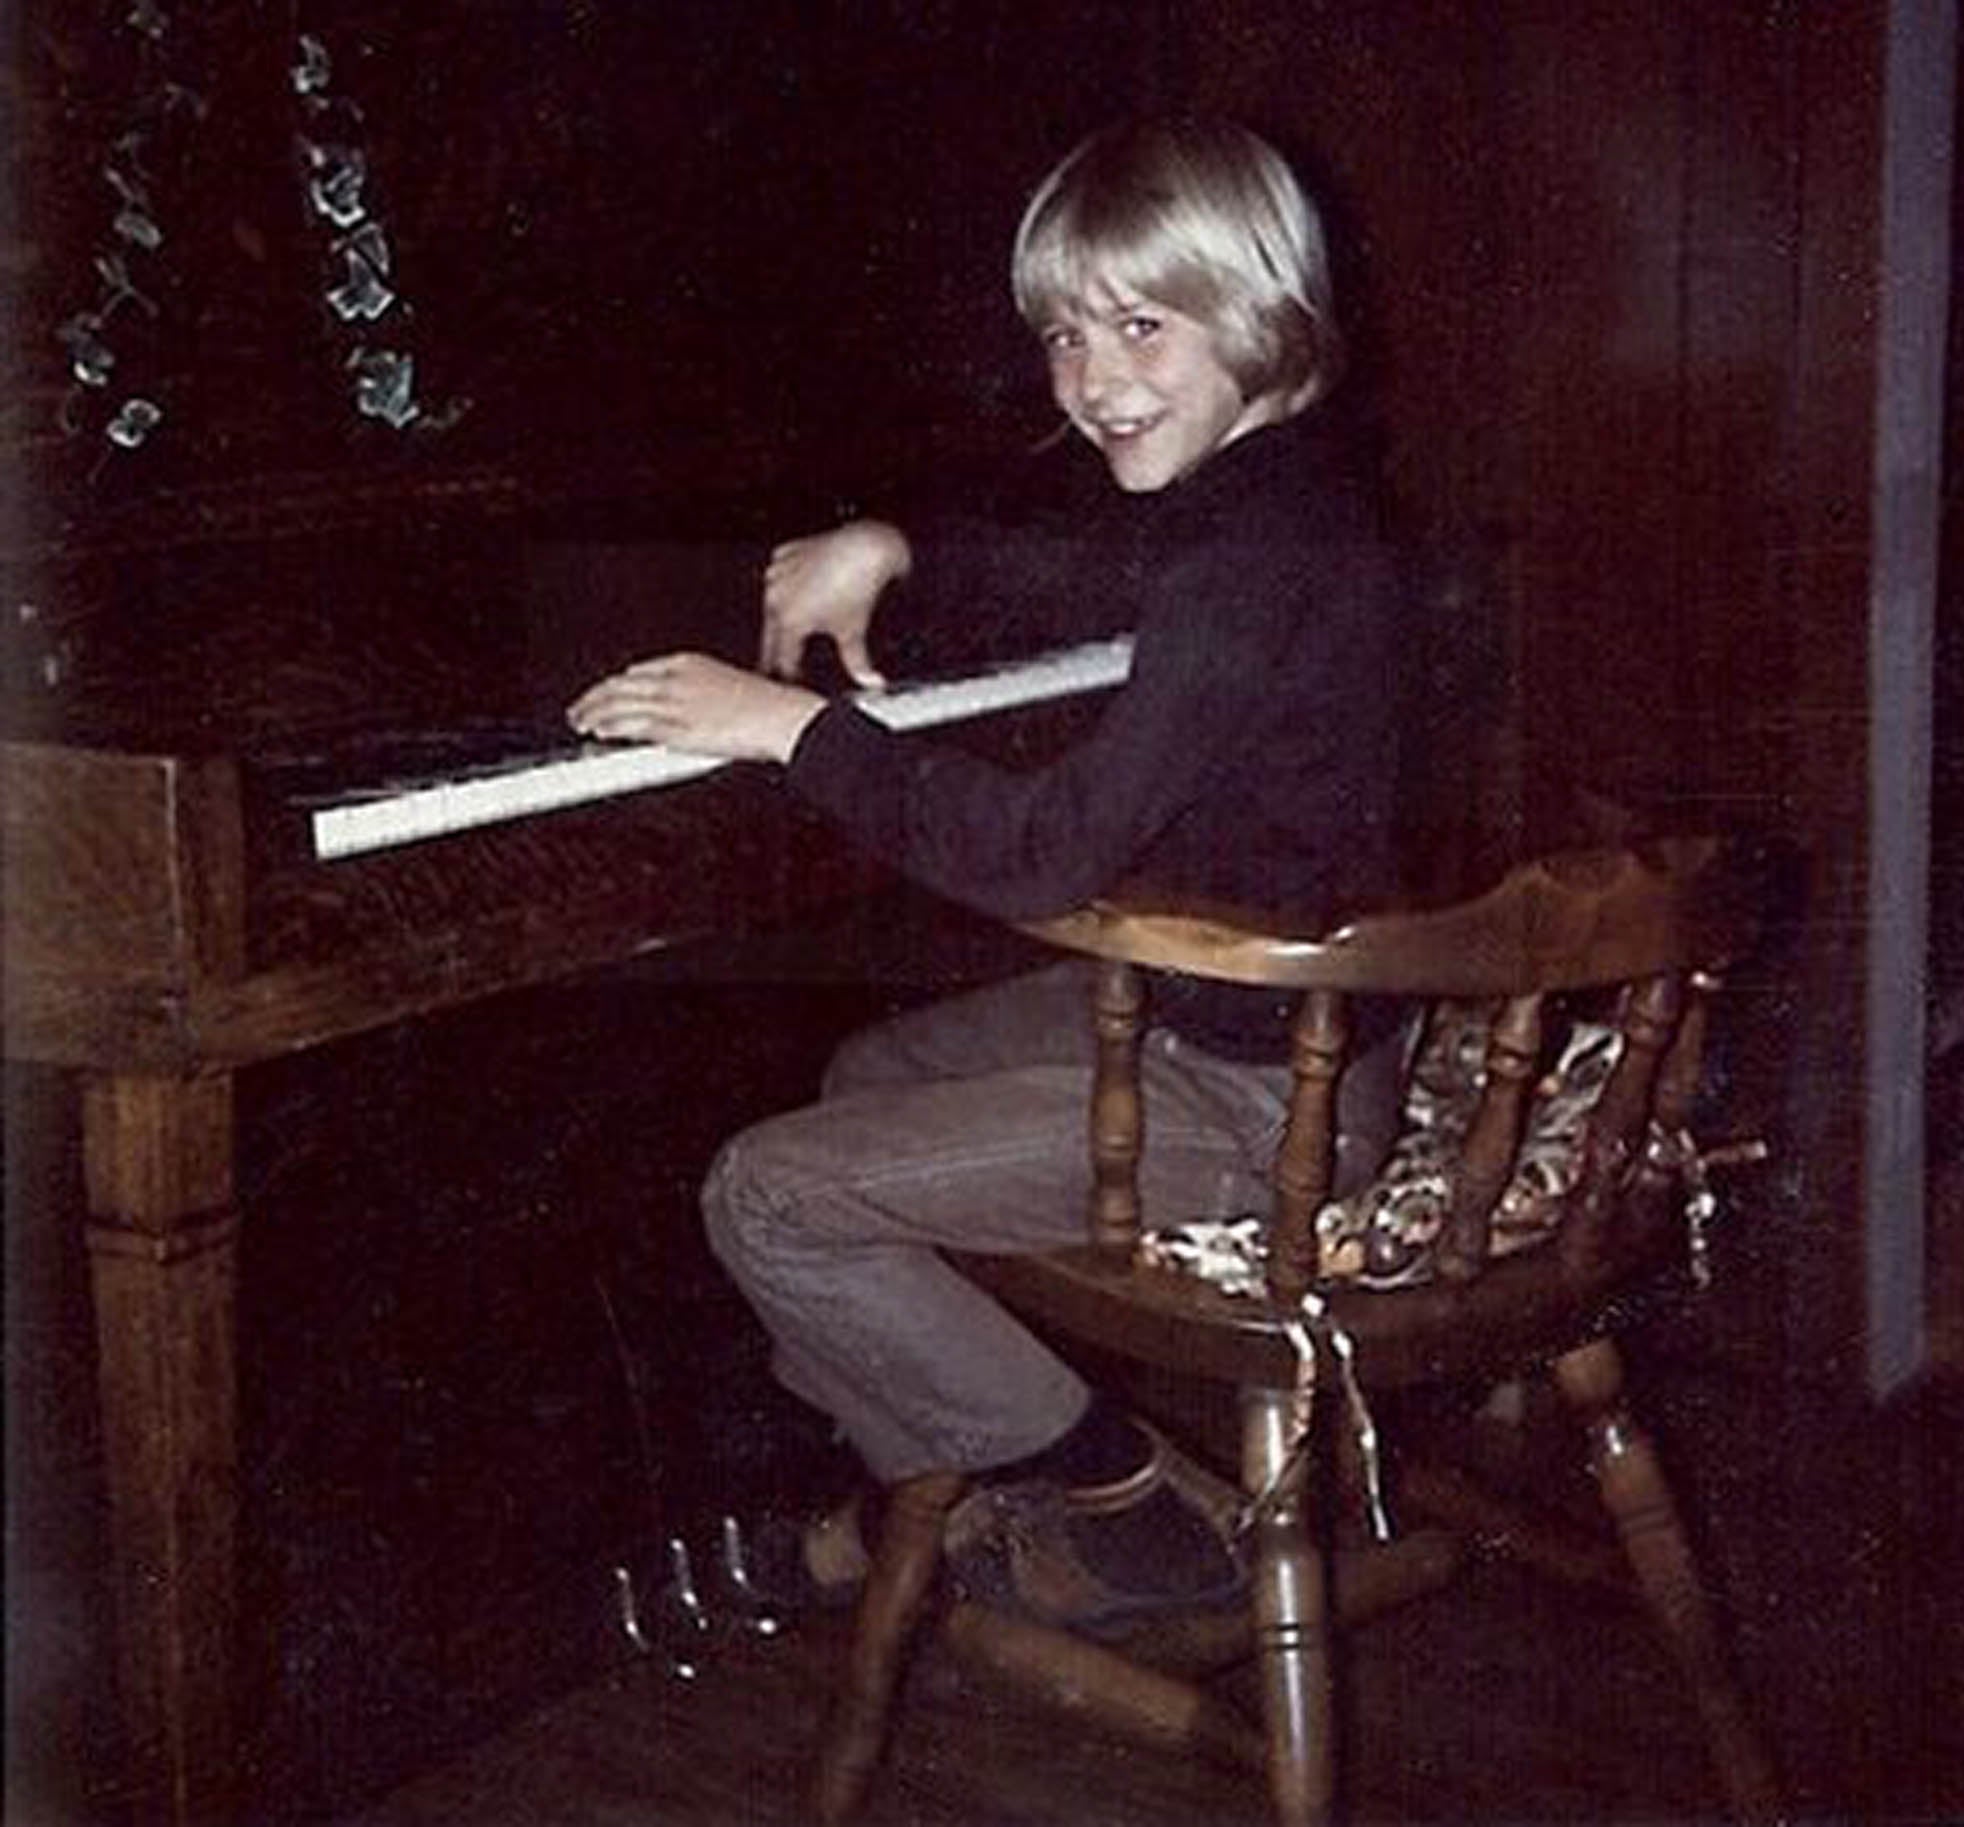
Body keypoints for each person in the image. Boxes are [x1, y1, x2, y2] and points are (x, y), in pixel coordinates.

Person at [567, 117, 1412, 1629]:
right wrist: (896, 542)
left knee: (765, 1197)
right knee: (868, 1070)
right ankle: (970, 1475)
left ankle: (1107, 1485)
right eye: (1063, 335)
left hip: (1265, 1097)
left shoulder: (1255, 556)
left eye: (1141, 326)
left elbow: (1044, 855)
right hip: (1241, 1025)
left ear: (1262, 306)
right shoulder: (1272, 490)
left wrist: (794, 731)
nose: (1093, 382)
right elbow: (1087, 563)